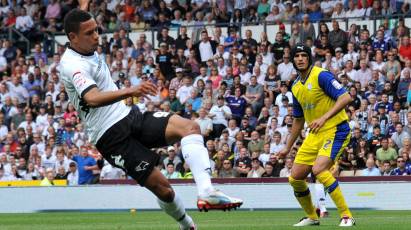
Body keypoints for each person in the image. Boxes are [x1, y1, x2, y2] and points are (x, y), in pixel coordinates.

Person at [59, 7, 241, 229]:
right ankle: (187, 225)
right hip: (110, 136)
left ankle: (207, 192)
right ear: (72, 37)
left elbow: (81, 16)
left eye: (96, 30)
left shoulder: (83, 42)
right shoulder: (72, 65)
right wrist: (130, 91)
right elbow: (93, 98)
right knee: (164, 189)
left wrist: (84, 5)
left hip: (128, 115)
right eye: (89, 33)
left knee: (190, 127)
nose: (96, 36)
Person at [279, 44, 355, 227]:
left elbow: (345, 98)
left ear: (309, 58)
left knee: (319, 169)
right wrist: (287, 147)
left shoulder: (321, 75)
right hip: (314, 134)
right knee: (295, 178)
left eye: (303, 55)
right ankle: (313, 217)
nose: (300, 59)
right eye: (296, 55)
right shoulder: (295, 86)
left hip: (336, 129)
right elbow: (298, 120)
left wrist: (323, 118)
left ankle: (347, 216)